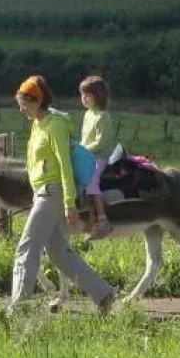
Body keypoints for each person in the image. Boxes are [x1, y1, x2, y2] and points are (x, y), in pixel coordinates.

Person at [8, 75, 116, 315]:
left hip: (52, 193)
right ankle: (104, 295)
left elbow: (64, 165)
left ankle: (18, 308)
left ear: (38, 100)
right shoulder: (38, 123)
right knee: (57, 252)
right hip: (42, 193)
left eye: (24, 102)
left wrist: (69, 203)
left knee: (27, 248)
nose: (21, 107)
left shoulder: (54, 124)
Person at [78, 75, 119, 239]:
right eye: (82, 95)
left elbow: (101, 143)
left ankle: (103, 220)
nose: (84, 98)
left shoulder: (103, 116)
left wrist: (82, 151)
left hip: (99, 158)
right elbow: (84, 139)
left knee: (91, 182)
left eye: (88, 95)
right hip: (85, 156)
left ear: (98, 95)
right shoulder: (87, 115)